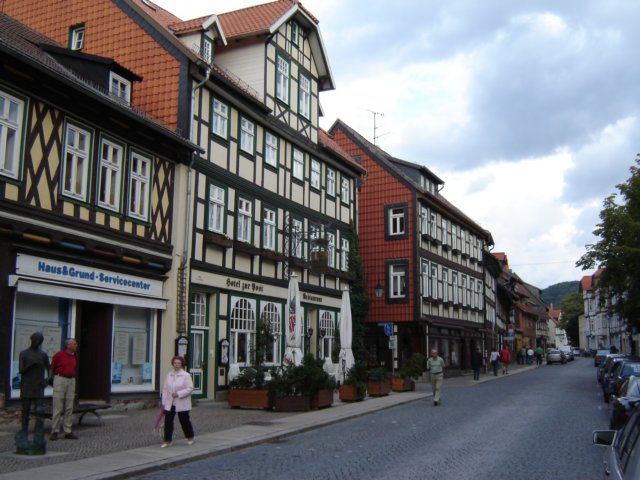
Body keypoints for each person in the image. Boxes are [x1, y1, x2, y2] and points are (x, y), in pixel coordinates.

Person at [19, 332, 50, 434]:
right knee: (26, 409)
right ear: (32, 340)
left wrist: (48, 379)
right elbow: (21, 370)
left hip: (38, 385)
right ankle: (24, 430)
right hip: (27, 385)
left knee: (39, 410)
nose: (37, 342)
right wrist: (31, 364)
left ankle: (38, 430)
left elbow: (49, 368)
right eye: (36, 340)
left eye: (40, 341)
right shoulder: (24, 353)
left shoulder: (43, 354)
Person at [161, 355, 195, 448]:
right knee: (168, 421)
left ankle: (190, 436)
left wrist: (179, 393)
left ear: (182, 364)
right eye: (175, 363)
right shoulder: (169, 375)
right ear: (172, 364)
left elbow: (190, 388)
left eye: (178, 363)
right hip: (170, 402)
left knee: (184, 420)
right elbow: (165, 389)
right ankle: (167, 440)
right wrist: (164, 402)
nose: (176, 365)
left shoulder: (186, 375)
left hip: (181, 402)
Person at [49, 338, 78, 440]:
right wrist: (51, 379)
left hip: (71, 380)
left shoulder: (74, 356)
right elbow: (52, 367)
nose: (76, 345)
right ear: (68, 345)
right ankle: (54, 431)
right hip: (60, 378)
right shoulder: (59, 355)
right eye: (74, 344)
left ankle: (68, 430)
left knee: (69, 406)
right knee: (58, 406)